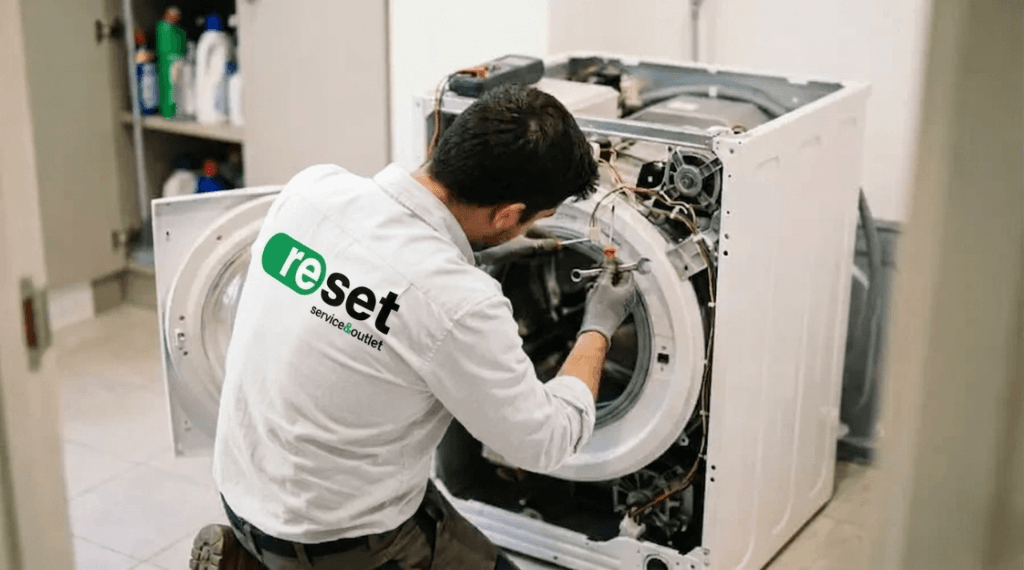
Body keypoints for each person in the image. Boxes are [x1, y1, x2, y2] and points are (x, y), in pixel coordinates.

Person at [189, 84, 636, 570]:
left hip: (242, 492)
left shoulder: (311, 189)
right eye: (531, 222)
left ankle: (252, 559)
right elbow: (546, 440)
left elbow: (385, 279)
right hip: (336, 535)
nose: (526, 231)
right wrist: (599, 325)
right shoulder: (459, 302)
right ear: (508, 214)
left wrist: (479, 251)